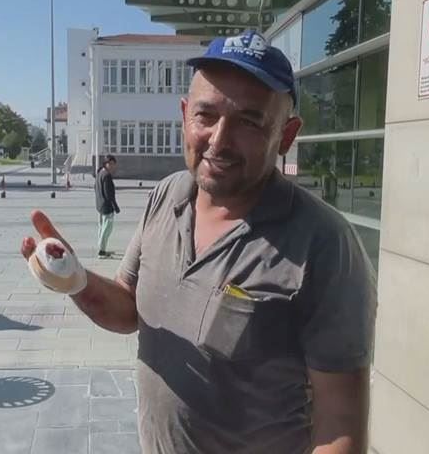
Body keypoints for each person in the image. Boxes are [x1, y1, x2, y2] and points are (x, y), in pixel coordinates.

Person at [21, 30, 377, 453]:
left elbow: (340, 424)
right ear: (184, 115)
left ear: (286, 135)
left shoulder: (325, 244)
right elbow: (129, 307)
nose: (219, 140)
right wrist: (75, 280)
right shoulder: (166, 195)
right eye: (206, 115)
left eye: (249, 121)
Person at [94, 154, 120, 258]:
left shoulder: (100, 173)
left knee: (102, 228)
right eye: (111, 164)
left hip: (100, 206)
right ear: (106, 164)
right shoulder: (107, 176)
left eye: (114, 164)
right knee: (107, 229)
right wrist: (115, 207)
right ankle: (102, 252)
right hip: (106, 207)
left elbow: (95, 188)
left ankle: (101, 248)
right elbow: (109, 194)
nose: (113, 166)